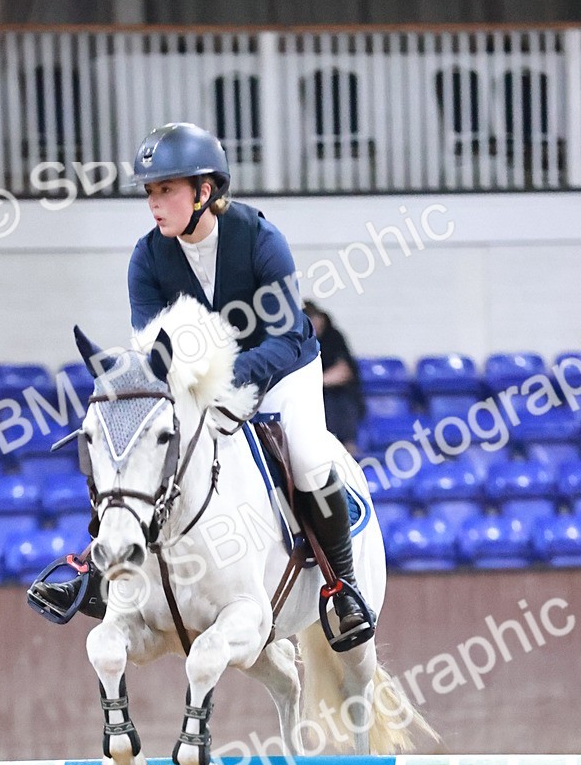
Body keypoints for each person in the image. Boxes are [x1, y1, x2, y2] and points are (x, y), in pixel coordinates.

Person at [30, 122, 373, 649]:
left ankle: (341, 588)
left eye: (165, 189)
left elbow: (282, 340)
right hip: (198, 384)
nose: (154, 203)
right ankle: (97, 572)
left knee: (307, 459)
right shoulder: (147, 258)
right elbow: (150, 356)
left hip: (282, 371)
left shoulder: (261, 240)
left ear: (204, 192)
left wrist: (225, 382)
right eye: (149, 191)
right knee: (134, 443)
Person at [303, 301, 365, 454]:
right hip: (313, 397)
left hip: (340, 399)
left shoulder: (334, 337)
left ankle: (347, 448)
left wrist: (316, 382)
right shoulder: (298, 342)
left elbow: (344, 372)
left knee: (338, 400)